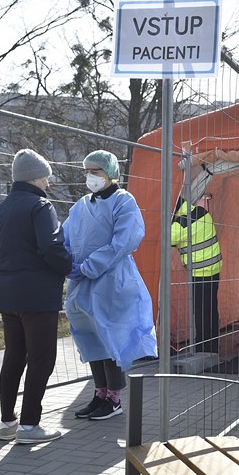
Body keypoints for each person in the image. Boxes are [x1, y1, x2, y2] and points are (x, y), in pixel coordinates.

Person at [0, 149, 72, 444]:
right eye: (46, 176)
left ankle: (7, 423)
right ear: (35, 176)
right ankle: (30, 426)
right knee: (42, 358)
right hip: (38, 296)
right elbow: (51, 246)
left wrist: (10, 273)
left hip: (8, 295)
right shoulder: (40, 206)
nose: (48, 182)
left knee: (14, 356)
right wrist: (67, 269)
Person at [63, 150, 157, 421]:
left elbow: (123, 240)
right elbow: (67, 238)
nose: (90, 176)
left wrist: (88, 266)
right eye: (87, 171)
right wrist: (68, 264)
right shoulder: (81, 206)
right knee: (91, 339)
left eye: (96, 171)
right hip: (83, 285)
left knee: (110, 338)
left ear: (111, 173)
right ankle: (100, 393)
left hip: (113, 281)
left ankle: (114, 399)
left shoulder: (123, 201)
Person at [170, 199, 222, 354]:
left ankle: (202, 349)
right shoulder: (203, 212)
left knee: (200, 312)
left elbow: (167, 238)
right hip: (214, 269)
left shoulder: (181, 224)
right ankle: (212, 346)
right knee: (212, 309)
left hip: (199, 273)